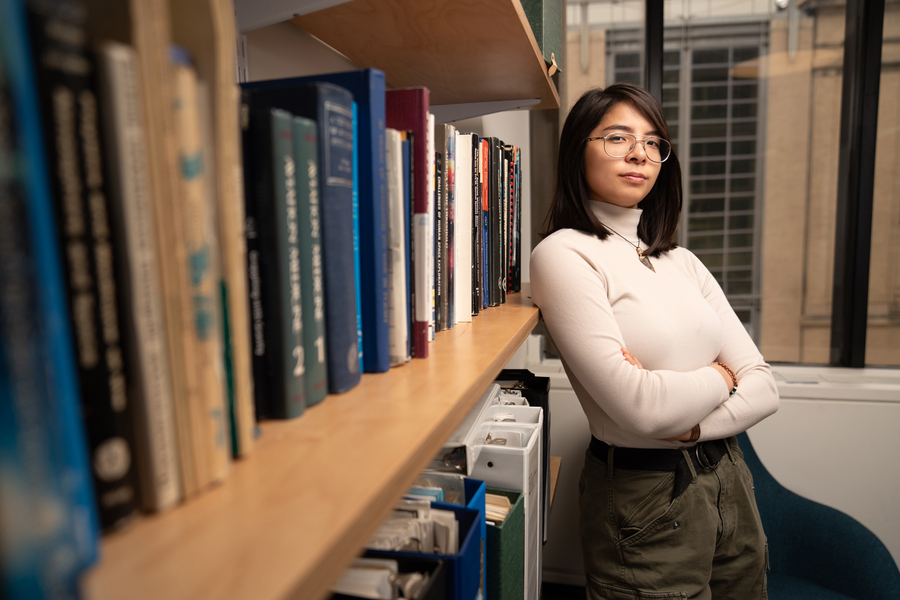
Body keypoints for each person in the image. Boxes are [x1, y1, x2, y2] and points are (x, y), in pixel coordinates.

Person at [530, 83, 780, 600]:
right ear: (578, 148)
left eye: (652, 142)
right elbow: (641, 410)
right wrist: (720, 376)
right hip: (646, 496)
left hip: (729, 477)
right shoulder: (563, 254)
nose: (639, 153)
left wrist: (689, 426)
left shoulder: (681, 260)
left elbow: (765, 388)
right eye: (617, 137)